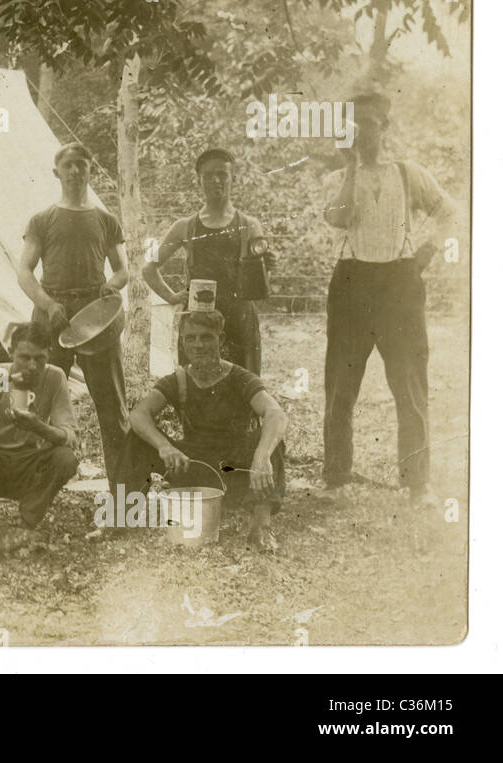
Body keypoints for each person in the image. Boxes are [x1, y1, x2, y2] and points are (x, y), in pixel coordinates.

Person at [320, 91, 458, 507]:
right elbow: (340, 218)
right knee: (341, 384)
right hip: (351, 281)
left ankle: (419, 484)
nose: (363, 131)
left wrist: (428, 253)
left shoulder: (408, 172)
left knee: (409, 383)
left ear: (386, 126)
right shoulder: (337, 177)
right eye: (354, 123)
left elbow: (448, 210)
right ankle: (337, 476)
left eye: (371, 122)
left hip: (400, 283)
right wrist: (348, 165)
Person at [120, 310, 288, 551]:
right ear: (183, 342)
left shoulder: (239, 377)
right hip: (194, 469)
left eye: (206, 337)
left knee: (271, 439)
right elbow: (138, 414)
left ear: (221, 339)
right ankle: (121, 518)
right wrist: (164, 446)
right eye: (191, 338)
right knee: (137, 437)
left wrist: (261, 457)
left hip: (235, 471)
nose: (198, 345)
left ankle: (261, 526)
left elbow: (276, 414)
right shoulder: (177, 380)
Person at [17, 142, 130, 489]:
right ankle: (30, 485)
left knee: (112, 407)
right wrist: (49, 306)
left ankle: (123, 493)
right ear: (57, 172)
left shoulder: (104, 220)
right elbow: (24, 270)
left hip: (94, 318)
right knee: (36, 403)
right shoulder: (42, 219)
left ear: (90, 170)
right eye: (69, 165)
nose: (76, 171)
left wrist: (111, 286)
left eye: (83, 165)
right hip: (52, 317)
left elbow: (122, 270)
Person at [0, 322, 79, 544]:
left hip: (28, 464)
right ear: (11, 353)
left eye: (39, 359)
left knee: (66, 458)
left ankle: (26, 524)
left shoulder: (54, 377)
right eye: (24, 357)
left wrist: (38, 426)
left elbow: (70, 436)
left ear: (49, 354)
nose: (32, 366)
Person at [141, 147, 268, 373]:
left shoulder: (250, 224)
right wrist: (172, 296)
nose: (216, 180)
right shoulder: (184, 227)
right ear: (199, 180)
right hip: (199, 322)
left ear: (233, 178)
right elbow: (149, 269)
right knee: (196, 388)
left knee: (244, 388)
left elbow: (262, 278)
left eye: (222, 174)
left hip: (239, 319)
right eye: (208, 175)